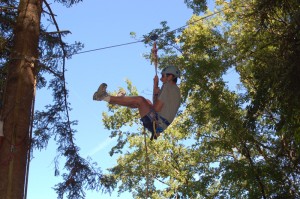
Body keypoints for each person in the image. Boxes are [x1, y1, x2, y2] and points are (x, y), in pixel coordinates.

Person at [93, 65, 181, 140]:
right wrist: (155, 86)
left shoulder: (168, 86)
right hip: (158, 123)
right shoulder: (174, 89)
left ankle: (104, 97)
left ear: (170, 77)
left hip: (156, 122)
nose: (161, 79)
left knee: (140, 100)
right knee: (146, 102)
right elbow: (155, 105)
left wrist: (155, 86)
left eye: (163, 76)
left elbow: (156, 108)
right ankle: (116, 100)